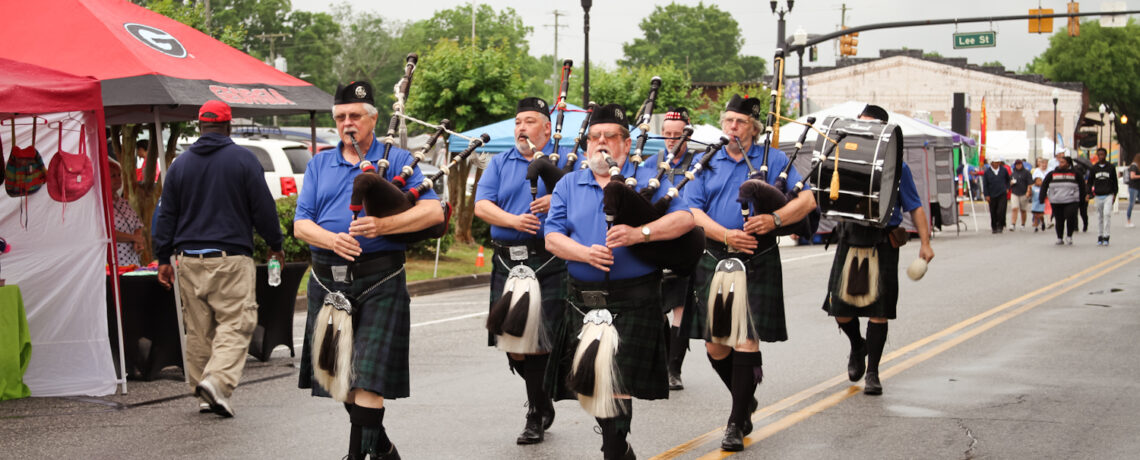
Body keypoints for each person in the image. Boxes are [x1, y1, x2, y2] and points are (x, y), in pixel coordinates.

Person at [294, 81, 444, 460]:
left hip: (380, 279)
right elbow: (301, 224)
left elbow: (432, 210)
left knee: (369, 383)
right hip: (328, 281)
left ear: (373, 119)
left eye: (356, 116)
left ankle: (356, 456)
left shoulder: (396, 160)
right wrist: (331, 240)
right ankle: (382, 448)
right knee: (339, 379)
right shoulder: (319, 163)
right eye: (342, 116)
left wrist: (382, 227)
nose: (348, 123)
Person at [543, 103, 695, 459]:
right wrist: (584, 253)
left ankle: (613, 450)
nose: (601, 144)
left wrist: (641, 232)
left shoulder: (647, 180)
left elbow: (686, 219)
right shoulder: (569, 183)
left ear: (626, 145)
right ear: (585, 147)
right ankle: (620, 449)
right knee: (593, 385)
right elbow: (552, 236)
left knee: (618, 386)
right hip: (584, 298)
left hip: (634, 297)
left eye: (610, 137)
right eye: (594, 137)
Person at [685, 95, 816, 452]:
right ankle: (744, 400)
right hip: (715, 255)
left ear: (754, 129)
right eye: (727, 121)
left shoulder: (772, 160)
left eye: (740, 122)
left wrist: (774, 219)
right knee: (715, 346)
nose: (732, 128)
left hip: (758, 258)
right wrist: (726, 234)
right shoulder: (705, 161)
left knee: (744, 339)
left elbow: (807, 201)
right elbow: (692, 211)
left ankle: (735, 422)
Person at [152, 100, 284, 417]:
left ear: (200, 126)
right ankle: (217, 382)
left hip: (189, 260)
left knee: (199, 331)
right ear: (228, 126)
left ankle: (203, 392)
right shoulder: (243, 160)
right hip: (230, 258)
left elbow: (165, 215)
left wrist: (163, 258)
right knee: (237, 323)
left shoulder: (180, 165)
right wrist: (275, 243)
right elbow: (263, 208)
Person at [473, 96, 569, 445]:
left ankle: (534, 414)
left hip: (546, 259)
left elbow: (585, 201)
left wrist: (556, 196)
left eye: (529, 121)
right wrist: (514, 219)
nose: (521, 128)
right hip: (507, 261)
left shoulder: (566, 161)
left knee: (540, 341)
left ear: (546, 127)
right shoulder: (500, 163)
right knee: (514, 345)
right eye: (517, 122)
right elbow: (482, 205)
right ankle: (543, 400)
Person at [822, 105, 934, 400]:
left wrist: (925, 243)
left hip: (883, 240)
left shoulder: (899, 167)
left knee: (878, 312)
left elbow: (915, 206)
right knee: (840, 311)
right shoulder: (841, 159)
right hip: (850, 237)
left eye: (868, 126)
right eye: (859, 125)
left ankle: (872, 371)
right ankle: (857, 345)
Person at [648, 106, 701, 391]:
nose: (671, 140)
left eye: (677, 135)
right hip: (657, 239)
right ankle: (663, 360)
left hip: (686, 240)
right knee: (657, 306)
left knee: (681, 305)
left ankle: (673, 369)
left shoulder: (700, 162)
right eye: (666, 135)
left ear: (687, 135)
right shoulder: (650, 161)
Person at [1040, 156, 1086, 245]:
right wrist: (1042, 197)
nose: (1060, 164)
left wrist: (1082, 200)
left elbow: (1082, 187)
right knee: (1059, 219)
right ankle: (1059, 237)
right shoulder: (1052, 174)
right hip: (1056, 200)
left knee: (1070, 216)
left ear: (1068, 163)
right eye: (1059, 162)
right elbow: (1044, 185)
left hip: (1071, 200)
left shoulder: (1076, 174)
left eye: (1063, 162)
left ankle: (1069, 236)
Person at [108, 158, 145, 266]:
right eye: (113, 176)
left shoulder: (123, 202)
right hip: (115, 262)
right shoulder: (100, 205)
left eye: (119, 175)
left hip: (132, 261)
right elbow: (106, 233)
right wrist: (134, 238)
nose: (118, 179)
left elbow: (138, 224)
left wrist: (137, 240)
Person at [1087, 148, 1118, 245]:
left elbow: (1115, 182)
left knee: (1107, 214)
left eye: (1103, 154)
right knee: (1100, 216)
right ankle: (1100, 236)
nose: (1101, 157)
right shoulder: (1094, 168)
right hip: (1098, 195)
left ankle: (1106, 236)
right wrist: (1089, 193)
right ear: (1097, 155)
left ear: (1105, 155)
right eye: (1099, 155)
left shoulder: (1111, 167)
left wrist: (1115, 194)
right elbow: (1090, 182)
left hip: (1108, 194)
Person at [982, 159, 1011, 233]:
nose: (997, 164)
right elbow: (985, 184)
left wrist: (1007, 188)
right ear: (992, 163)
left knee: (1001, 210)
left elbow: (1008, 180)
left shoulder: (1003, 170)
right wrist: (986, 195)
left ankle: (1000, 225)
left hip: (1002, 193)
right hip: (992, 194)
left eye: (998, 162)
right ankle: (994, 226)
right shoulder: (987, 172)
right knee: (993, 211)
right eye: (995, 162)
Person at [1008, 159, 1033, 231]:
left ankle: (1023, 224)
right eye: (1017, 164)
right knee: (1014, 208)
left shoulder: (1027, 173)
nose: (1018, 166)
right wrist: (1010, 183)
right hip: (1014, 192)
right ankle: (1013, 224)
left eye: (1019, 164)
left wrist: (1028, 191)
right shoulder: (1013, 173)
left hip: (1024, 193)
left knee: (1023, 210)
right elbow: (1008, 183)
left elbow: (1030, 183)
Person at [1128, 155, 1140, 227]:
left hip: (1138, 187)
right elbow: (1132, 176)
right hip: (1133, 187)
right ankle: (1128, 221)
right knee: (1131, 204)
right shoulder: (1134, 166)